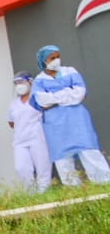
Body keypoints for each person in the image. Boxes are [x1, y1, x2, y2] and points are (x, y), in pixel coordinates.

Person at [30, 45, 110, 186]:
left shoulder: (70, 71)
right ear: (43, 60)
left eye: (58, 57)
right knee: (63, 158)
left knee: (89, 150)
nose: (56, 60)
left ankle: (104, 185)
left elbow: (80, 93)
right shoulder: (39, 80)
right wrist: (67, 92)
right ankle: (74, 191)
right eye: (52, 58)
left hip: (78, 119)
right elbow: (41, 100)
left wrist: (54, 98)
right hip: (55, 125)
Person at [7, 72, 52, 194]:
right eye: (16, 83)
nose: (19, 85)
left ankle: (45, 194)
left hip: (38, 138)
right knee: (21, 168)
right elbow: (11, 122)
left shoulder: (37, 98)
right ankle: (31, 195)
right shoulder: (14, 104)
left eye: (21, 82)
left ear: (30, 82)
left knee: (43, 167)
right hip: (20, 141)